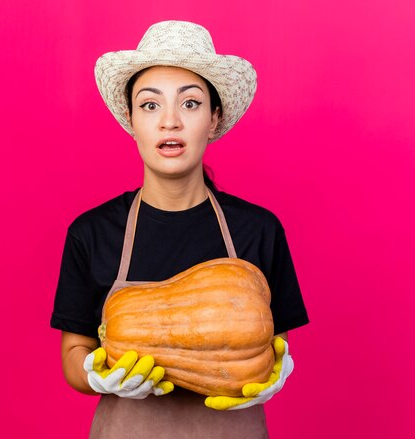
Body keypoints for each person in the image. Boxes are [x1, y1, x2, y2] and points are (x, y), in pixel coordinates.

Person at [50, 20, 309, 438]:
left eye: (189, 103)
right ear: (132, 120)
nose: (170, 121)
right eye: (150, 105)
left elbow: (269, 346)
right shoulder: (92, 233)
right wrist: (96, 376)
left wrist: (275, 371)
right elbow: (74, 352)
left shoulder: (259, 230)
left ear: (214, 118)